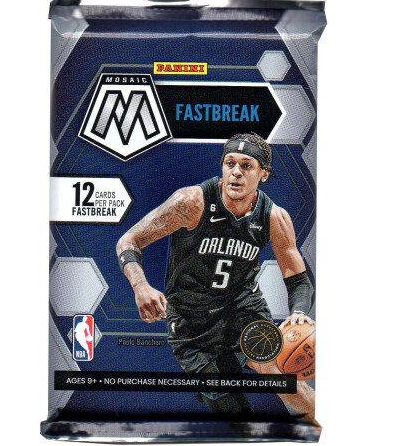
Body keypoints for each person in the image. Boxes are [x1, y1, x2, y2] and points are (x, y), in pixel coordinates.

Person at [116, 132, 315, 420]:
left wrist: (299, 312)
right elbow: (128, 241)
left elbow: (297, 280)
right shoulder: (191, 203)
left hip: (241, 307)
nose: (236, 172)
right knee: (234, 412)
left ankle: (323, 424)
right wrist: (141, 286)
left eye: (246, 165)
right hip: (191, 321)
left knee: (279, 375)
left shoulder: (274, 217)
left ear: (264, 174)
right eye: (229, 163)